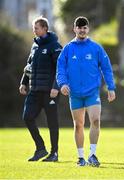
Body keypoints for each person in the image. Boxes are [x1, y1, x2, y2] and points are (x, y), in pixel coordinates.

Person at [56, 16, 116, 166]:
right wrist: (63, 84)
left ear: (87, 29)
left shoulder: (96, 48)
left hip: (92, 92)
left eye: (84, 28)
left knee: (95, 120)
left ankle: (92, 155)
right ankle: (81, 157)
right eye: (79, 27)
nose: (82, 30)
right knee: (78, 125)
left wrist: (111, 87)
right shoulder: (68, 49)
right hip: (75, 94)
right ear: (74, 29)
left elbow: (107, 68)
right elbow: (60, 68)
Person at [19, 16, 62, 162]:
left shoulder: (55, 45)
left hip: (50, 92)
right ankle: (40, 149)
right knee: (27, 117)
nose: (34, 30)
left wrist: (56, 87)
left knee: (52, 122)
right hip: (35, 90)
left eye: (36, 27)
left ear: (44, 28)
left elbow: (60, 69)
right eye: (33, 27)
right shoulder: (35, 46)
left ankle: (54, 153)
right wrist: (24, 82)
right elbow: (28, 66)